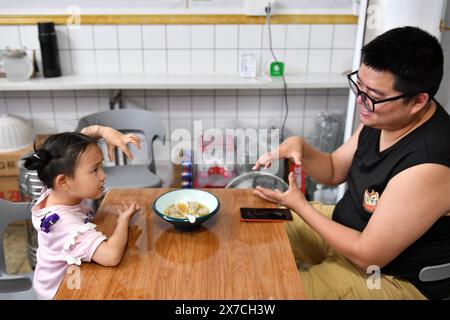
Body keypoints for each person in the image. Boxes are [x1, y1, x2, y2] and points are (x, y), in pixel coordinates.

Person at [253, 26, 450, 300]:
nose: (360, 100)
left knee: (270, 295)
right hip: (348, 233)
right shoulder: (384, 115)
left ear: (418, 101)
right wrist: (301, 147)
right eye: (360, 85)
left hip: (387, 276)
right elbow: (334, 169)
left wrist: (299, 204)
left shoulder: (431, 163)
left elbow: (367, 254)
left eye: (374, 96)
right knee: (255, 223)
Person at [23, 125, 142, 300]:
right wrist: (123, 219)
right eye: (95, 170)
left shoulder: (57, 190)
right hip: (62, 292)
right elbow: (111, 256)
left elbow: (82, 137)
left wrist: (103, 132)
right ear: (63, 181)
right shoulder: (64, 225)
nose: (103, 176)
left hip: (73, 278)